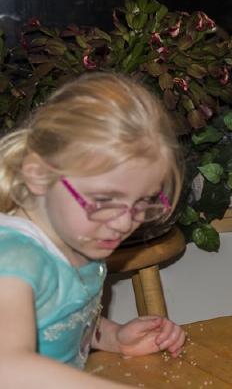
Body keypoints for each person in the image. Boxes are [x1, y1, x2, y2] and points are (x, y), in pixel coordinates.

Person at [0, 73, 186, 389]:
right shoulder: (14, 260)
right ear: (38, 174)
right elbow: (8, 367)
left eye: (143, 202)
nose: (124, 224)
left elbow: (52, 317)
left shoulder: (77, 239)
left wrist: (112, 336)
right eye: (104, 200)